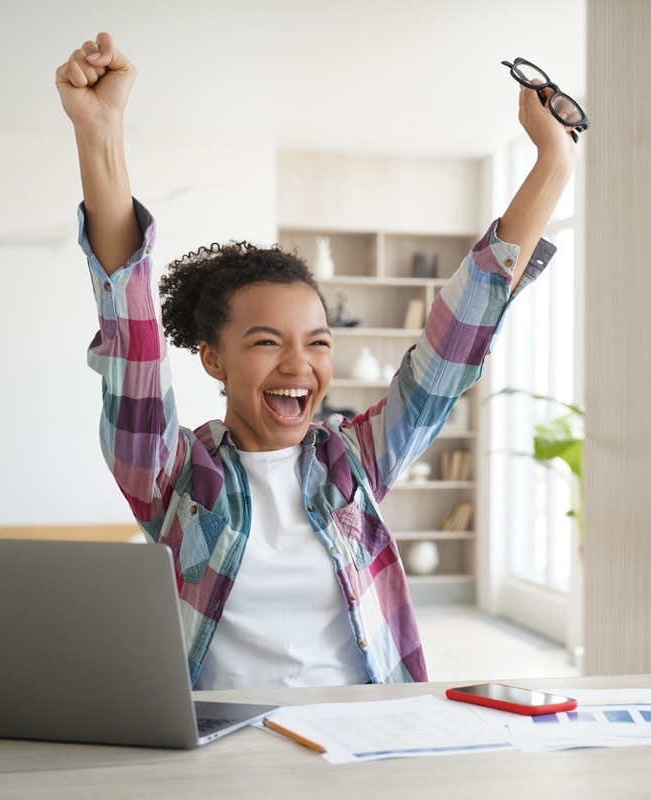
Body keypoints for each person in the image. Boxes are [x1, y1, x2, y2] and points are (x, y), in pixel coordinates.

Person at [55, 33, 577, 689]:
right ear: (212, 360)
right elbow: (131, 342)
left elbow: (455, 341)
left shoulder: (355, 462)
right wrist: (101, 132)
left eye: (318, 341)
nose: (299, 365)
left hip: (360, 743)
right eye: (267, 342)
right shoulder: (171, 479)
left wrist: (554, 161)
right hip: (224, 761)